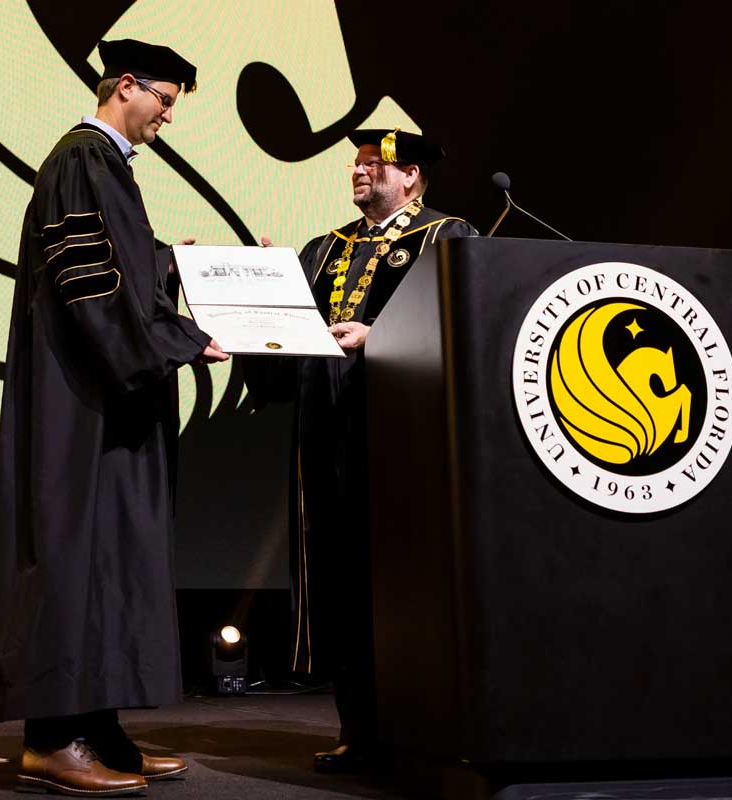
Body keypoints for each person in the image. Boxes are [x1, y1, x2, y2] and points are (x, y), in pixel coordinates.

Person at [0, 39, 227, 796]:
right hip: (79, 401)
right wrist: (182, 335)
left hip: (110, 398)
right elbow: (89, 284)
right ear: (127, 85)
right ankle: (52, 739)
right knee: (72, 552)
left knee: (114, 557)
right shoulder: (82, 159)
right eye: (165, 100)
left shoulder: (103, 166)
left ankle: (102, 726)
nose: (168, 117)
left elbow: (119, 263)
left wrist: (172, 265)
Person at [253, 128, 477, 772]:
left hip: (403, 432)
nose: (359, 171)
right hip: (328, 430)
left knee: (406, 575)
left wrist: (378, 333)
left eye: (374, 163)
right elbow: (286, 336)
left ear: (409, 176)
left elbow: (465, 324)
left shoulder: (447, 236)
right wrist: (271, 288)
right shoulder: (327, 247)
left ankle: (429, 730)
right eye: (356, 163)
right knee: (340, 577)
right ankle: (360, 728)